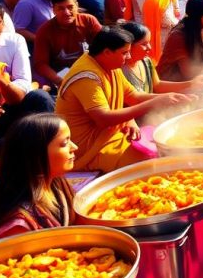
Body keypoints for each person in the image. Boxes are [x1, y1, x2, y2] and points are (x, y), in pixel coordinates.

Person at [55, 27, 193, 172]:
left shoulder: (110, 65)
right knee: (152, 162)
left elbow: (134, 97)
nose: (128, 57)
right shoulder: (87, 76)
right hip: (92, 148)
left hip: (112, 135)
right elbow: (103, 118)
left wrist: (169, 98)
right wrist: (155, 103)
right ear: (107, 52)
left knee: (170, 144)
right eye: (125, 53)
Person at [0, 114, 75, 248]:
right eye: (65, 143)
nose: (74, 147)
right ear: (36, 154)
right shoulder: (18, 227)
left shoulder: (56, 183)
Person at [32, 0, 102, 88]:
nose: (66, 13)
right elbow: (40, 64)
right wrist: (59, 80)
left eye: (70, 7)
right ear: (53, 10)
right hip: (62, 74)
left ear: (77, 6)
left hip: (90, 69)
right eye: (60, 8)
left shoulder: (89, 21)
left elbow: (105, 47)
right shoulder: (44, 31)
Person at [117, 22, 203, 95]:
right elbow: (135, 99)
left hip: (149, 110)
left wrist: (191, 84)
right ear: (129, 46)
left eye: (149, 43)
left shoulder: (146, 61)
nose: (149, 48)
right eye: (144, 44)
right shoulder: (120, 70)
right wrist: (165, 99)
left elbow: (157, 85)